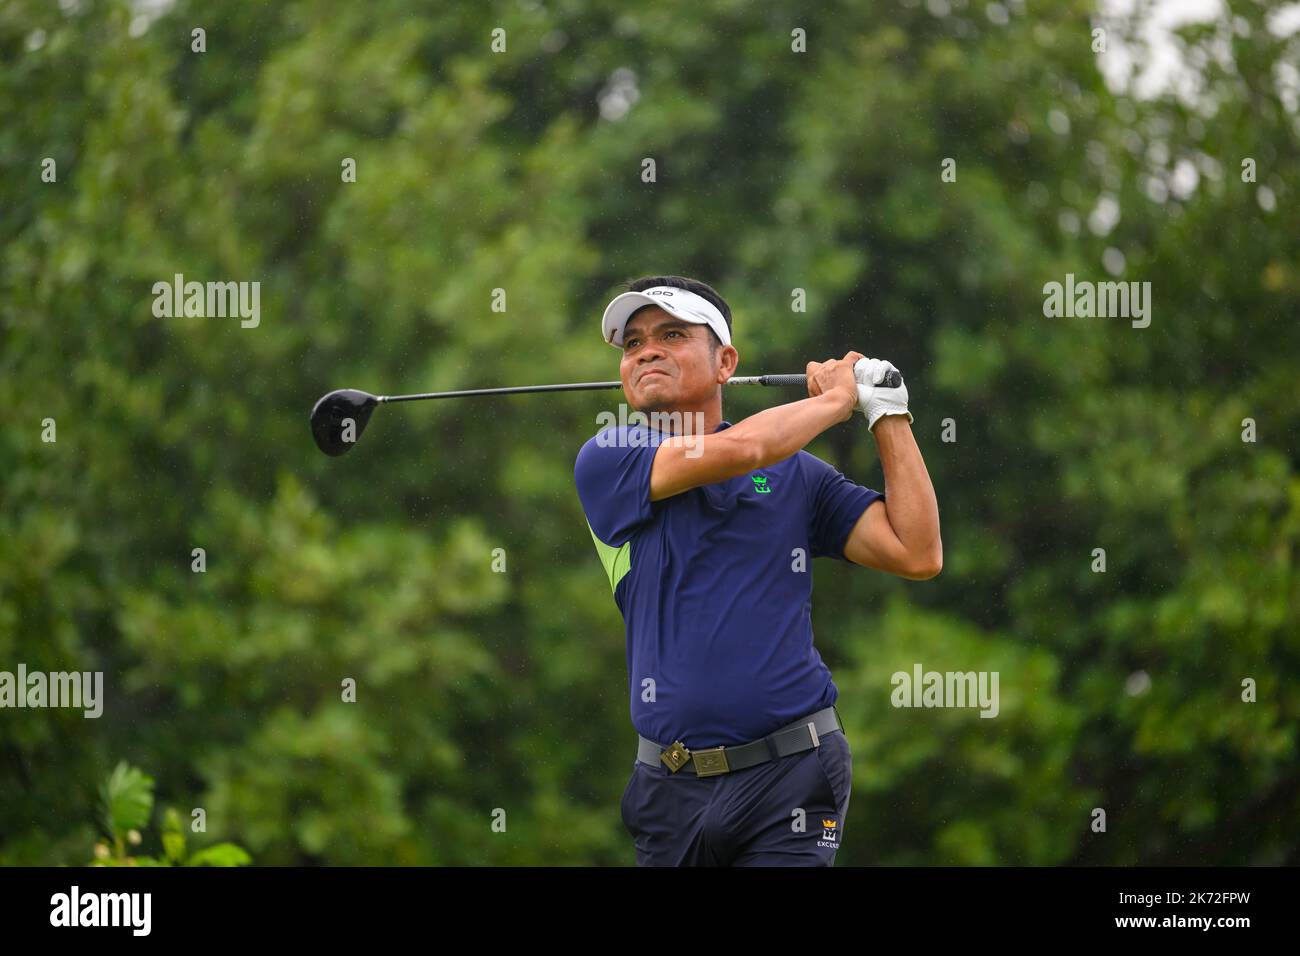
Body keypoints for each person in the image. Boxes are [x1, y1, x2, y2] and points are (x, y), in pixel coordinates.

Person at [573, 275, 941, 866]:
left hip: (793, 776)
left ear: (726, 362)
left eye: (671, 334)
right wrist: (832, 401)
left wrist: (887, 413)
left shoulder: (796, 475)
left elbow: (917, 552)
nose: (646, 351)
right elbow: (741, 451)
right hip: (668, 788)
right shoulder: (608, 458)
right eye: (632, 343)